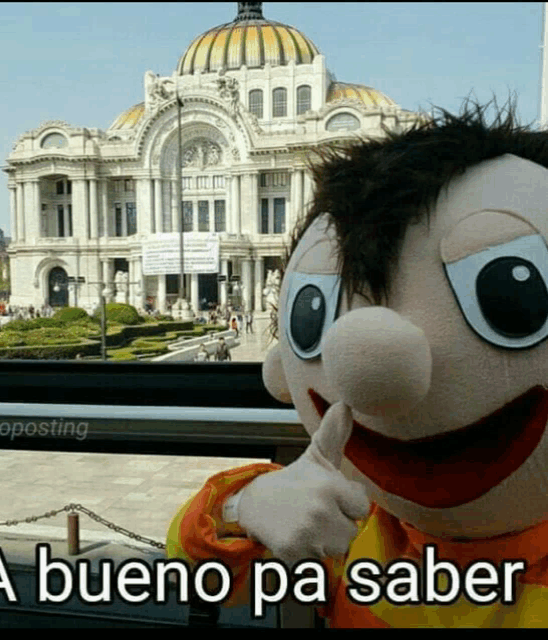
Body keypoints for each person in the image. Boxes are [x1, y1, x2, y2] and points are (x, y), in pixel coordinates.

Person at [167, 98, 548, 627]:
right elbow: (191, 565)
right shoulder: (349, 521)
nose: (375, 366)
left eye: (508, 292)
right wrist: (244, 508)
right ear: (281, 369)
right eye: (312, 317)